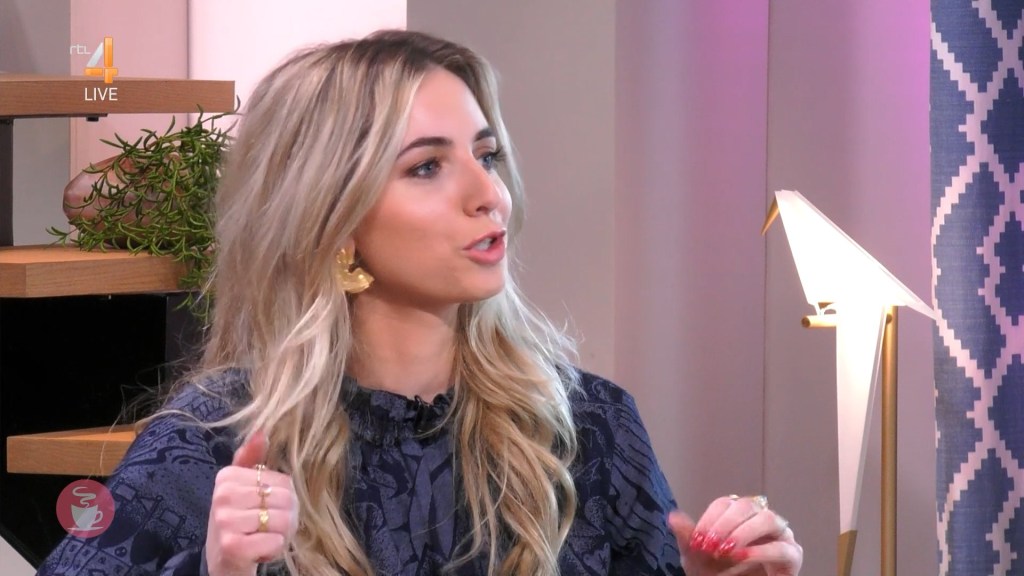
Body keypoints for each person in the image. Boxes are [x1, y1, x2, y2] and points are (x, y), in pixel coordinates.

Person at [37, 30, 802, 576]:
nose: (488, 194)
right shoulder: (211, 442)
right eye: (427, 167)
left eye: (486, 154)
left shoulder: (589, 425)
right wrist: (215, 569)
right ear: (333, 216)